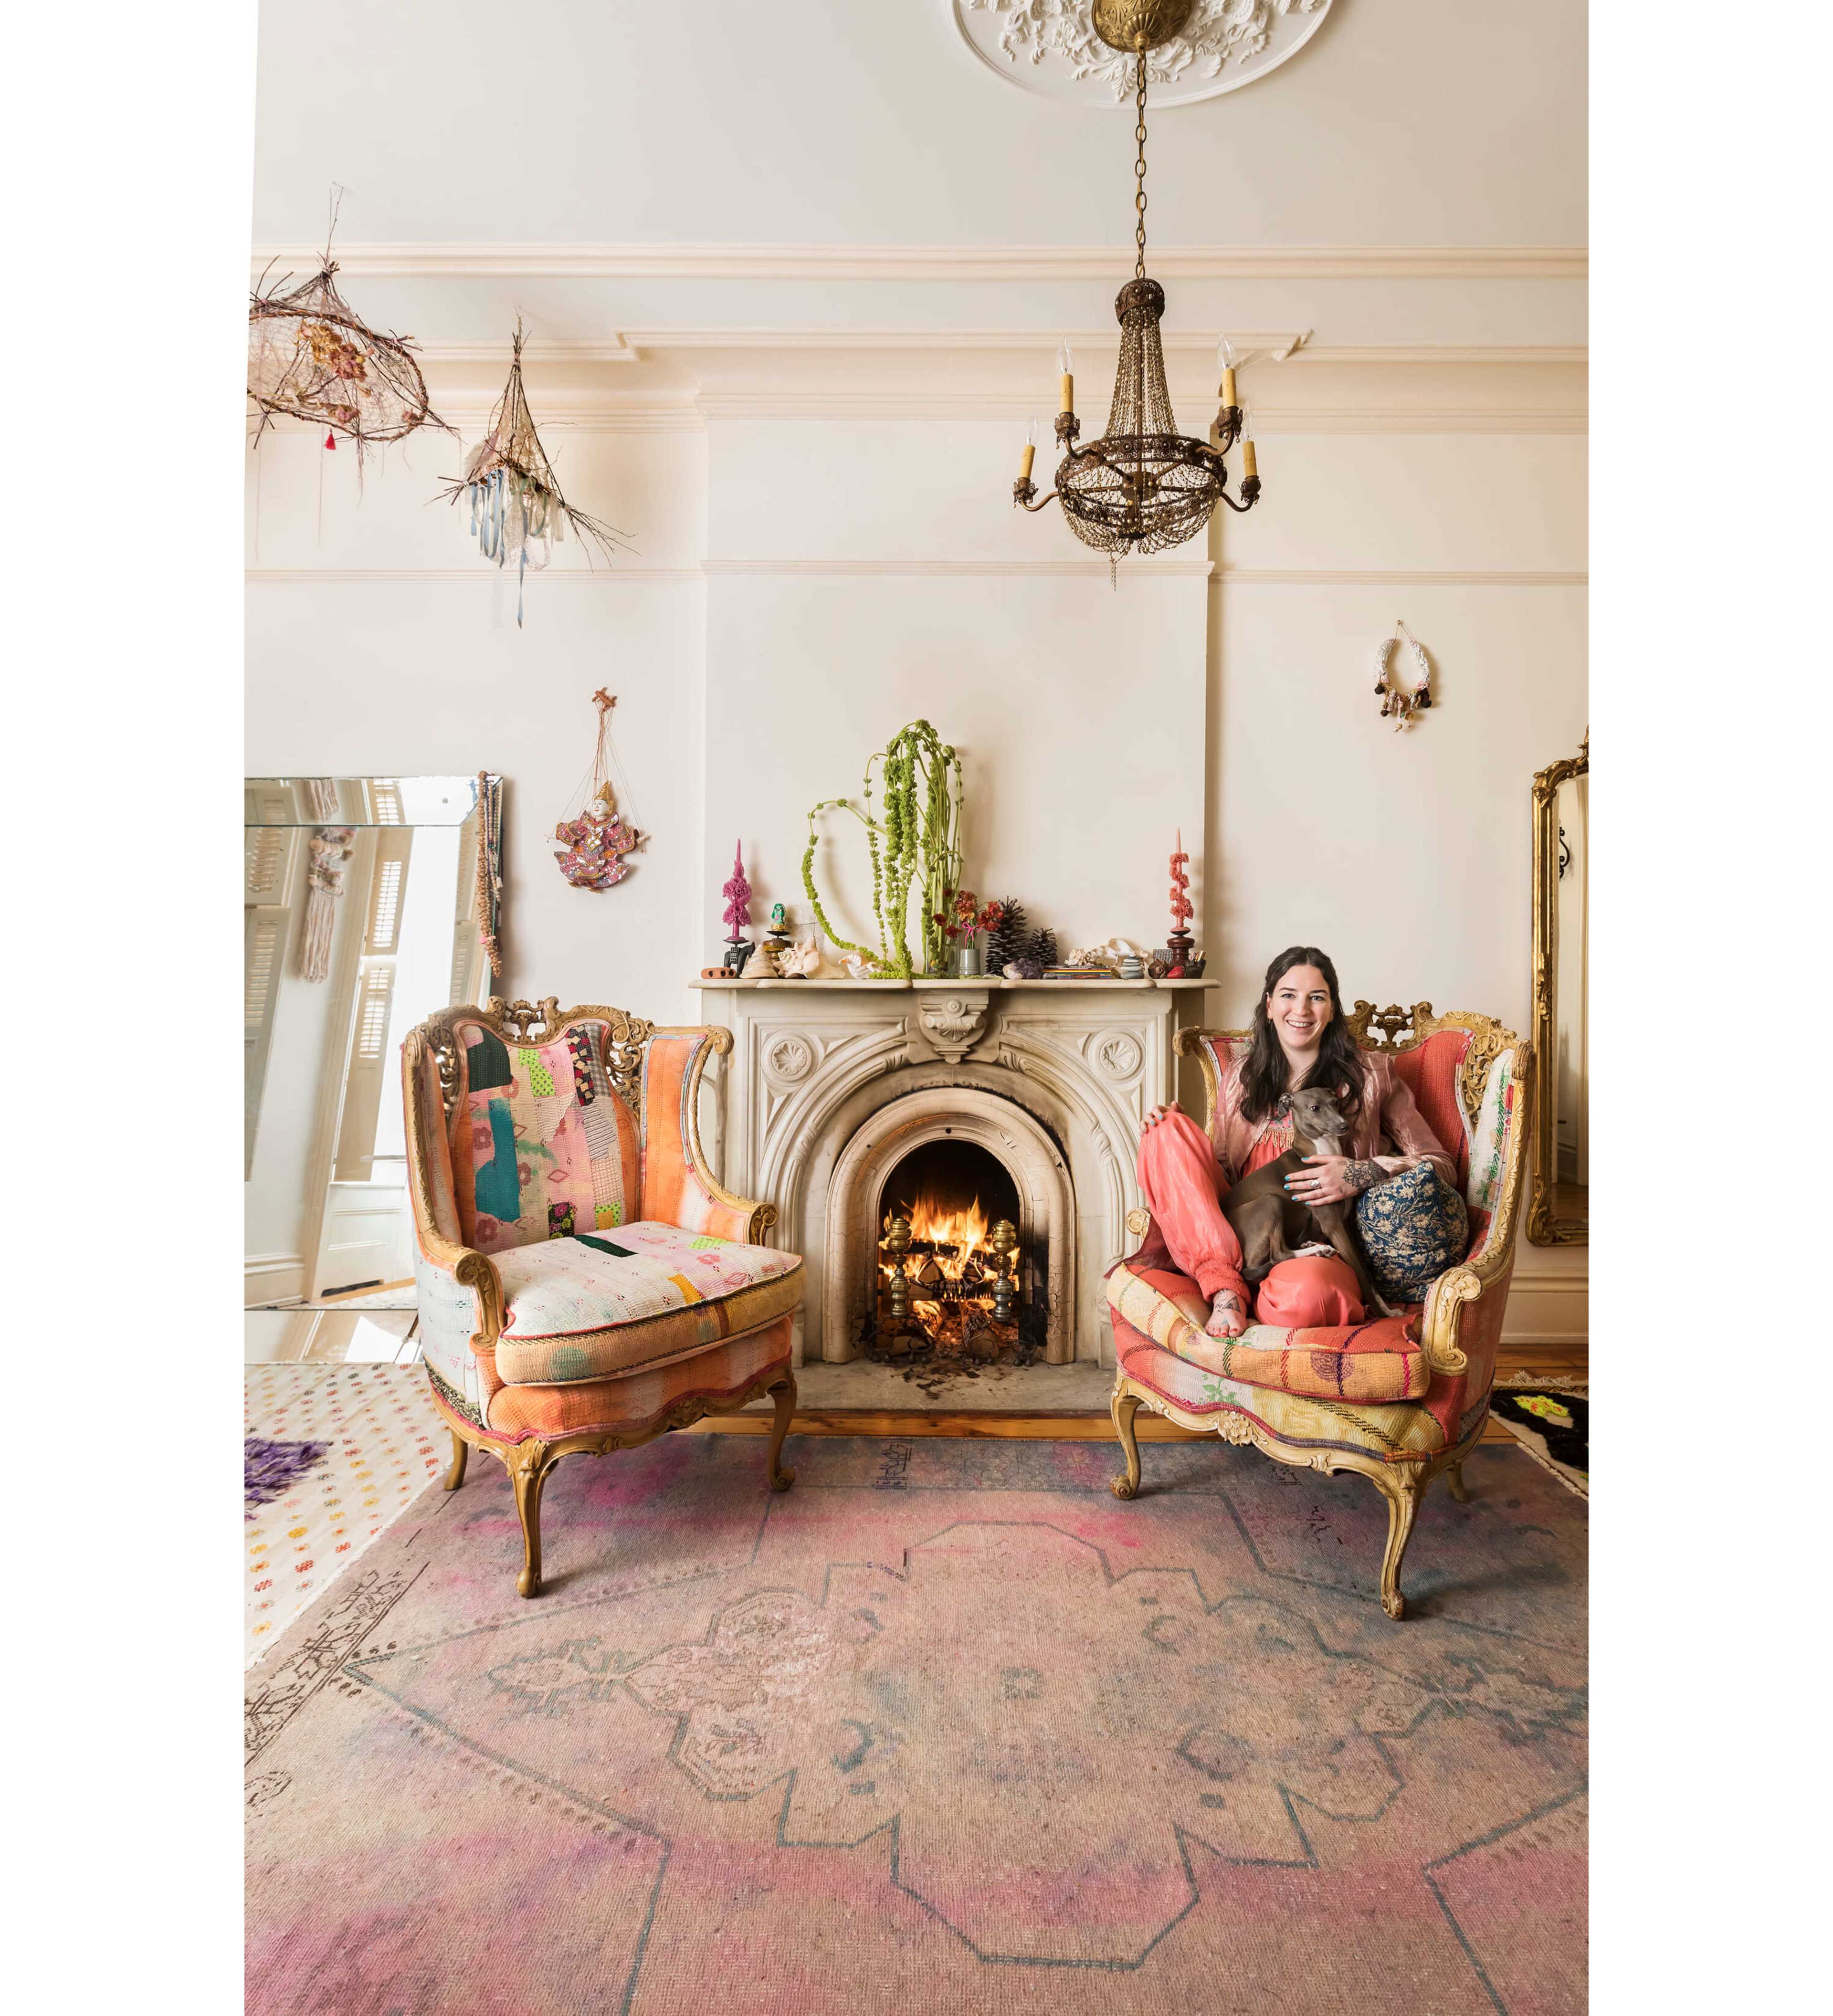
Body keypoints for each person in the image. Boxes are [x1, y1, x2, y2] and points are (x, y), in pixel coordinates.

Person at [1138, 945, 1454, 1339]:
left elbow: (1439, 1163)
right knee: (1166, 1129)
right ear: (1269, 1006)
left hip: (1313, 1244)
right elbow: (1220, 1175)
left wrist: (1363, 1172)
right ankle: (1225, 1289)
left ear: (1333, 1009)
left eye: (1316, 998)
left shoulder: (1374, 1075)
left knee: (1310, 1297)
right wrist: (1175, 1138)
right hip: (1237, 1233)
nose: (1301, 1010)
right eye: (1288, 996)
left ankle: (1262, 1289)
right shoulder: (1242, 1076)